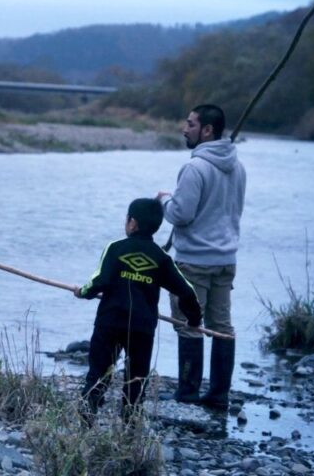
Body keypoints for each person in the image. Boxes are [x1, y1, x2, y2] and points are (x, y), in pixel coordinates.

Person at [74, 198, 202, 420]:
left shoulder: (115, 249)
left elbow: (99, 281)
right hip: (142, 328)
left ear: (132, 223)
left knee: (99, 372)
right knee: (136, 378)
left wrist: (82, 292)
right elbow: (187, 291)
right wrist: (193, 319)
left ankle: (87, 417)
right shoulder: (162, 258)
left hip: (110, 322)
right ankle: (130, 425)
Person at [157, 104, 246, 409]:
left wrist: (164, 201)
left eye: (191, 124)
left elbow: (181, 215)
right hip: (226, 260)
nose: (185, 128)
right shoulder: (238, 167)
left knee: (188, 324)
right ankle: (219, 395)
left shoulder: (194, 168)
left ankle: (188, 393)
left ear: (207, 130)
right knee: (222, 326)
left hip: (194, 261)